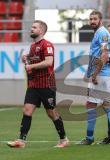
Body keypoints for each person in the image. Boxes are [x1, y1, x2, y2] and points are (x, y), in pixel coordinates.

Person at [7, 20, 69, 148]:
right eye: (32, 27)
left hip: (46, 84)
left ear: (41, 30)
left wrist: (31, 66)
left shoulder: (47, 45)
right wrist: (26, 57)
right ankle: (21, 141)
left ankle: (64, 139)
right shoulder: (33, 46)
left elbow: (48, 62)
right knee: (27, 110)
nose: (31, 29)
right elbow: (33, 60)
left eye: (34, 27)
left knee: (51, 113)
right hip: (34, 85)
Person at [76, 10, 110, 145]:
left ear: (100, 20)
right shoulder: (102, 33)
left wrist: (94, 74)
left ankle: (89, 138)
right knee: (108, 105)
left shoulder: (101, 33)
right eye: (90, 19)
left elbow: (105, 54)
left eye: (94, 19)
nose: (92, 21)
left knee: (90, 105)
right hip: (106, 74)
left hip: (100, 74)